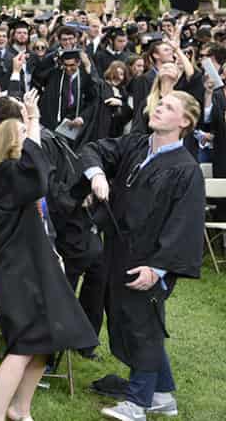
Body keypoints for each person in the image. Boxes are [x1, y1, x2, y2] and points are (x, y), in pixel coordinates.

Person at [81, 90, 205, 421]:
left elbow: (184, 224)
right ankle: (163, 397)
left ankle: (136, 404)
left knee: (142, 327)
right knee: (130, 321)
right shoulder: (136, 145)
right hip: (119, 250)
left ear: (185, 122)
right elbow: (93, 149)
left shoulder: (186, 169)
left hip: (150, 260)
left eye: (168, 107)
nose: (159, 109)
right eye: (159, 104)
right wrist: (96, 175)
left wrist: (158, 268)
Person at [0, 89, 98, 421]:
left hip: (38, 259)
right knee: (25, 342)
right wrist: (31, 120)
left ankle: (20, 409)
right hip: (18, 267)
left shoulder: (19, 171)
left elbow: (39, 171)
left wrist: (32, 121)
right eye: (22, 131)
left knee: (48, 340)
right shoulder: (6, 173)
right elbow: (38, 176)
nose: (31, 136)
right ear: (8, 138)